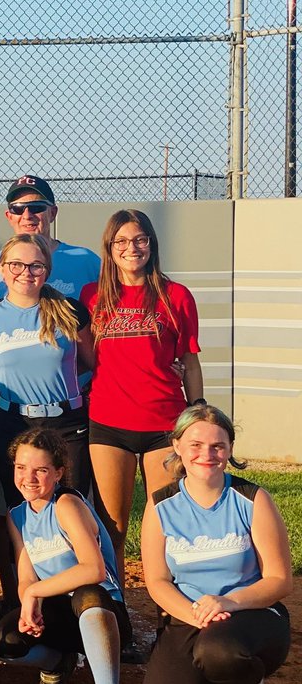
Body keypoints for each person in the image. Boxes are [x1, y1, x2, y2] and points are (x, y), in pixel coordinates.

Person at [138, 405, 292, 684]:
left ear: (230, 449)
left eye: (217, 446)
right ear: (177, 446)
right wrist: (197, 613)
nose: (206, 454)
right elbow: (158, 581)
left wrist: (227, 602)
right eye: (195, 445)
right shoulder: (161, 505)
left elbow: (280, 580)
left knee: (219, 650)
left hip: (251, 614)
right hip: (190, 615)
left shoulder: (252, 499)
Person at [82, 210, 202, 592]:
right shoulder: (92, 296)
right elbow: (85, 357)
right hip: (108, 423)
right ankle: (118, 613)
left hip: (163, 424)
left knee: (164, 521)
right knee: (112, 526)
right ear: (110, 248)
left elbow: (191, 360)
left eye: (140, 240)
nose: (132, 248)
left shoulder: (176, 296)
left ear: (152, 244)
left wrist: (198, 415)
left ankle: (171, 610)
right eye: (122, 241)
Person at [0, 429, 132, 684]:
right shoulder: (18, 517)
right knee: (6, 639)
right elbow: (27, 576)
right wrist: (30, 601)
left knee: (88, 595)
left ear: (58, 472)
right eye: (21, 468)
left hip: (103, 615)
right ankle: (58, 664)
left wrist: (35, 592)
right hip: (61, 612)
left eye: (40, 470)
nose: (29, 477)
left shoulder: (66, 503)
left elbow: (93, 569)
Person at [0, 233, 94, 604]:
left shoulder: (68, 311)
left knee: (68, 507)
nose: (25, 273)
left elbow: (95, 362)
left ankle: (78, 597)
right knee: (12, 512)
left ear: (47, 270)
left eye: (35, 266)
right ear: (1, 269)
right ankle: (19, 601)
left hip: (65, 422)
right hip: (14, 424)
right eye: (16, 265)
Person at [0, 175, 101, 306]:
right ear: (9, 216)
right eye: (17, 208)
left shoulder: (86, 261)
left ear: (53, 213)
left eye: (36, 207)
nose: (27, 216)